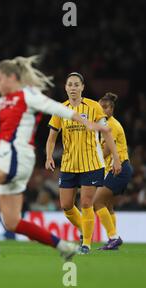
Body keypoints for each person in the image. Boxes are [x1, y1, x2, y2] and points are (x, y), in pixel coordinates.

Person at [0, 56, 109, 260]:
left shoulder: (28, 94)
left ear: (12, 77)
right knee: (12, 223)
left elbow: (56, 108)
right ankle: (63, 245)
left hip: (14, 155)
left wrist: (86, 123)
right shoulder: (7, 98)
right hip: (17, 159)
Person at [45, 72, 121, 254]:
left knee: (86, 204)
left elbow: (107, 133)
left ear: (82, 87)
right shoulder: (60, 109)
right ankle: (84, 229)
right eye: (70, 84)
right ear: (65, 87)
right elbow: (51, 138)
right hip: (69, 164)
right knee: (66, 205)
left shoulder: (94, 107)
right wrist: (48, 156)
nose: (73, 88)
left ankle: (86, 244)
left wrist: (116, 158)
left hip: (91, 164)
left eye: (76, 85)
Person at [93, 92, 132, 250]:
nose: (102, 110)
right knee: (108, 207)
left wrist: (92, 160)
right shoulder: (104, 125)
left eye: (106, 107)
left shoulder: (112, 126)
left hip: (119, 168)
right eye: (100, 106)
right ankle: (112, 240)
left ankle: (113, 237)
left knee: (97, 202)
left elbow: (108, 150)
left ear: (112, 109)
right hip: (117, 169)